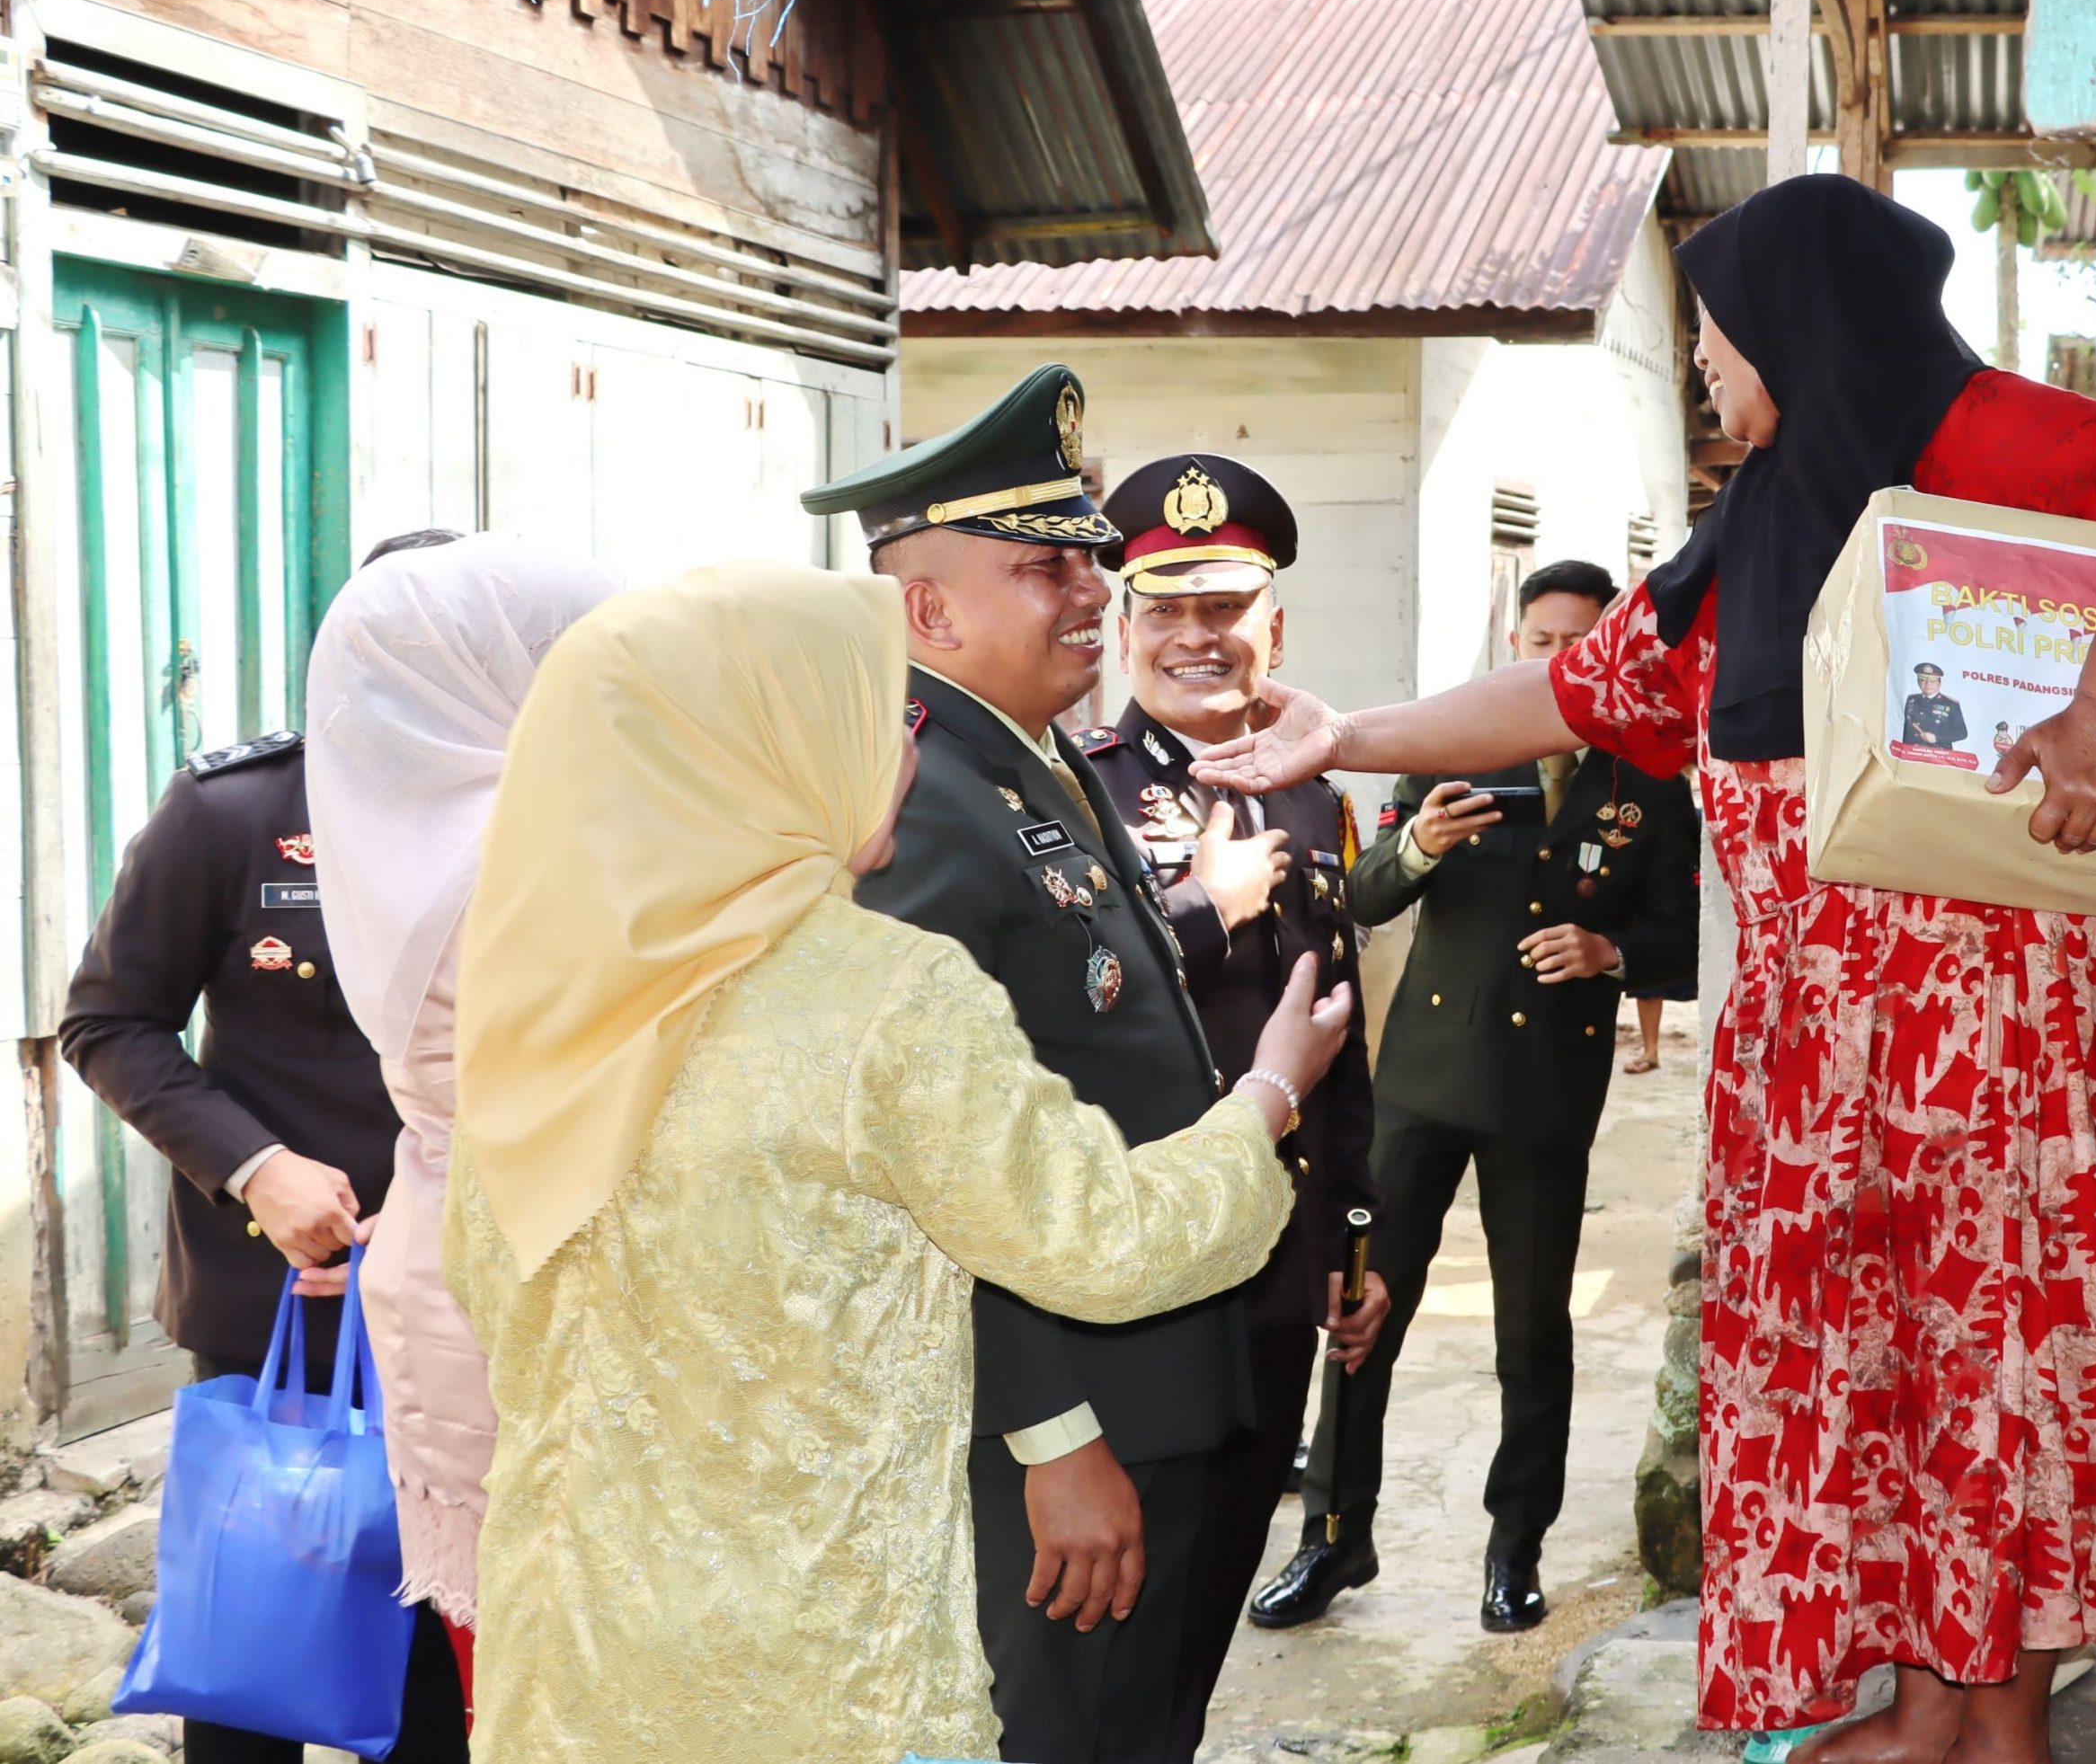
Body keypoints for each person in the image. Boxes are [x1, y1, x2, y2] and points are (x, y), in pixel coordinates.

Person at [1190, 175, 2096, 1764]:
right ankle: (1932, 1709)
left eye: (1712, 331)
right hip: (1824, 1070)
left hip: (2003, 1060)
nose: (1697, 362)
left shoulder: (1978, 434)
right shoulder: (1745, 543)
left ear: (1800, 322)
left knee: (1997, 1372)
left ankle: (2000, 1725)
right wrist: (1351, 733)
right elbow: (1565, 692)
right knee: (1883, 1386)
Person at [440, 562, 1353, 1763]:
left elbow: (486, 1276)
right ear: (768, 750)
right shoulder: (878, 998)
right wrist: (1270, 1094)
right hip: (820, 1639)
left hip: (591, 1638)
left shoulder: (546, 994)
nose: (911, 759)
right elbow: (1105, 1240)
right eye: (867, 722)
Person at [801, 366, 1262, 1764]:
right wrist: (1049, 1432)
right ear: (926, 609)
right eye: (1043, 566)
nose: (1091, 595)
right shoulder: (922, 799)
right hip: (1068, 1412)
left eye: (1087, 562)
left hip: (1154, 1356)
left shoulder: (1031, 756)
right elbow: (926, 1163)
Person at [57, 563, 472, 1761]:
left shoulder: (536, 813)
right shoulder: (236, 811)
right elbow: (109, 1020)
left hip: (467, 1299)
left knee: (446, 1672)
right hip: (284, 1297)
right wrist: (254, 1169)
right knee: (254, 1664)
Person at [1248, 560, 1698, 1636]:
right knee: (1361, 1319)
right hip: (1419, 1085)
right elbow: (1359, 896)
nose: (1554, 661)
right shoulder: (1453, 746)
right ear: (1516, 640)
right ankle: (1331, 1540)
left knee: (1530, 1335)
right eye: (1538, 641)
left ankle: (1513, 1549)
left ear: (1610, 654)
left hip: (1544, 1093)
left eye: (1576, 643)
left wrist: (1607, 948)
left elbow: (1680, 950)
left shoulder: (1645, 780)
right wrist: (1415, 844)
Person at [1074, 451, 1387, 1760]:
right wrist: (1206, 911)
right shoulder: (1076, 792)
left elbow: (1338, 1031)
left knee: (1199, 1627)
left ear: (1275, 622)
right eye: (1167, 609)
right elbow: (1067, 1025)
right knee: (1115, 1645)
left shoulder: (1317, 784)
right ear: (1125, 625)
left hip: (1273, 1278)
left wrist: (1354, 1247)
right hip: (1141, 1288)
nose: (1197, 638)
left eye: (1225, 608)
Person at [305, 535, 625, 1658]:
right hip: (543, 1301)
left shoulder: (403, 831)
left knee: (512, 1671)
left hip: (449, 1270)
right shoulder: (533, 853)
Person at [1901, 661, 1968, 748]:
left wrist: (1937, 738)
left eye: (1932, 681)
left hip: (1938, 754)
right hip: (1912, 751)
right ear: (1918, 682)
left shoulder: (1951, 704)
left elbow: (1962, 733)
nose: (1928, 684)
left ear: (1940, 684)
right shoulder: (1911, 700)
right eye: (1923, 680)